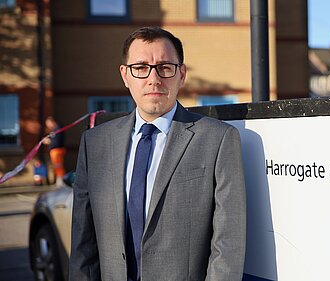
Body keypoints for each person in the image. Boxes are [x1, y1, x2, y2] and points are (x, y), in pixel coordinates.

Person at [69, 27, 246, 281]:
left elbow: (227, 243)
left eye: (164, 67)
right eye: (140, 67)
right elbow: (83, 245)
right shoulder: (95, 143)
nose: (154, 79)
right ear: (125, 75)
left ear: (181, 74)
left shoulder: (218, 140)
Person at [44, 116, 66, 186]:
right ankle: (59, 180)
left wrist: (48, 141)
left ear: (52, 122)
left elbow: (56, 142)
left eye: (48, 123)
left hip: (57, 150)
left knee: (58, 165)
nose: (48, 126)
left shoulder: (57, 129)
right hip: (55, 150)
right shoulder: (54, 130)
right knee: (57, 166)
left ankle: (61, 181)